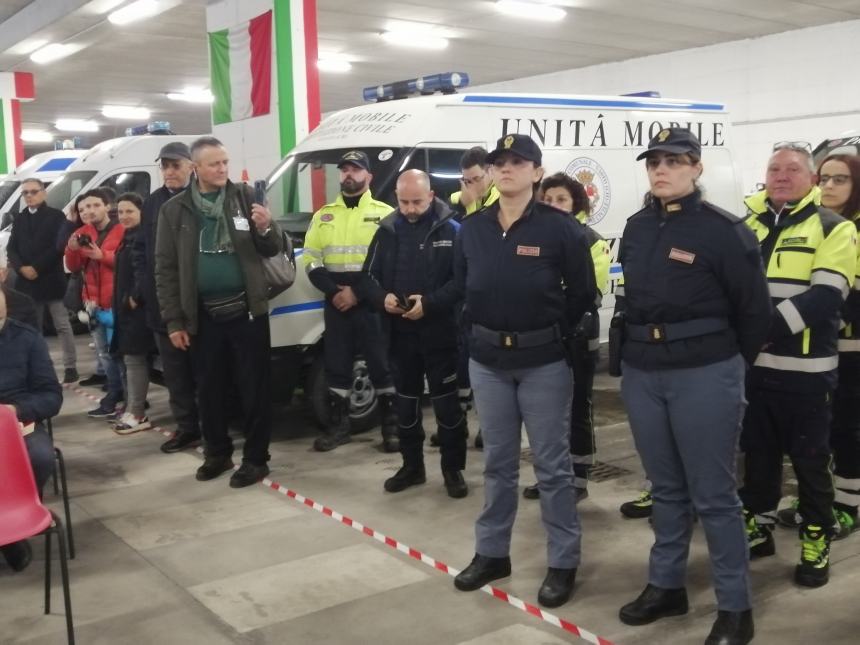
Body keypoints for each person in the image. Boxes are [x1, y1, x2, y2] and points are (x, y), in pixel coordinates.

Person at [613, 128, 771, 644]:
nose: (661, 170)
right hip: (644, 370)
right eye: (654, 161)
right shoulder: (636, 227)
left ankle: (734, 606)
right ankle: (666, 585)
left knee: (715, 495)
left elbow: (754, 312)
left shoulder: (725, 231)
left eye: (674, 161)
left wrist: (727, 370)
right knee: (666, 488)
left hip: (705, 371)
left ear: (696, 168)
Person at [452, 134, 596, 609]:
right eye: (500, 163)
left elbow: (581, 296)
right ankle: (492, 553)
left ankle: (562, 562)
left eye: (518, 162)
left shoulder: (561, 229)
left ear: (537, 172)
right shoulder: (471, 229)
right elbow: (461, 288)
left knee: (552, 468)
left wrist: (554, 337)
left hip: (543, 363)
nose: (507, 169)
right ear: (490, 173)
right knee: (496, 463)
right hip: (488, 362)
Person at [740, 142, 857, 588]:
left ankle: (815, 536)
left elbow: (826, 296)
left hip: (806, 373)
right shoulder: (743, 226)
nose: (782, 176)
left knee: (810, 460)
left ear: (811, 180)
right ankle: (759, 525)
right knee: (759, 455)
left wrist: (760, 329)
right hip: (753, 370)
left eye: (792, 169)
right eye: (774, 169)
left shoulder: (835, 227)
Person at [155, 136, 284, 488]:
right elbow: (165, 269)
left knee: (253, 388)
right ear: (195, 168)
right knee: (209, 389)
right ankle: (217, 453)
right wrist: (174, 320)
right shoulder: (175, 210)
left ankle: (256, 459)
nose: (223, 169)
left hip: (248, 312)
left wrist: (265, 226)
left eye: (225, 162)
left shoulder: (245, 197)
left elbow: (274, 247)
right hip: (202, 315)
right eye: (215, 164)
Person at [360, 169, 468, 498]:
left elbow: (463, 283)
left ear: (431, 196)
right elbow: (367, 278)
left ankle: (453, 470)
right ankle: (412, 467)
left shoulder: (453, 230)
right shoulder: (387, 230)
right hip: (400, 335)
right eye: (404, 201)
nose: (409, 208)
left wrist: (431, 303)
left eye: (417, 202)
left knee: (447, 410)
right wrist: (383, 298)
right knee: (405, 407)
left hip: (441, 334)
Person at [523, 172, 610, 503]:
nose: (553, 205)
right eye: (547, 199)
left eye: (561, 199)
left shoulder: (591, 240)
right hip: (542, 339)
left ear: (577, 203)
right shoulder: (533, 238)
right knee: (544, 412)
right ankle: (550, 475)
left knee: (577, 407)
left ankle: (577, 477)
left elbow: (589, 293)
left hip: (577, 338)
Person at [303, 150, 398, 453]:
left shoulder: (385, 214)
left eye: (355, 170)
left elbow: (390, 265)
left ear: (369, 176)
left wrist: (357, 293)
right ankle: (339, 426)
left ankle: (391, 427)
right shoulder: (323, 215)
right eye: (344, 170)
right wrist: (335, 292)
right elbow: (311, 261)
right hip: (336, 303)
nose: (348, 175)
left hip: (371, 302)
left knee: (381, 365)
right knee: (337, 365)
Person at [131, 141, 200, 452]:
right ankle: (187, 428)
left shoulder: (204, 198)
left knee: (208, 370)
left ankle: (215, 425)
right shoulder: (153, 203)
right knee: (176, 374)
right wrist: (145, 288)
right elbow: (141, 249)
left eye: (175, 165)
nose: (169, 172)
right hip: (164, 305)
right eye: (165, 166)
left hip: (201, 304)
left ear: (191, 166)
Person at [0, 287, 63, 572]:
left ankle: (15, 519)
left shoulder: (27, 338)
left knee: (40, 455)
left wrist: (17, 411)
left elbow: (50, 395)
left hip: (18, 422)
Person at [6, 178, 78, 382]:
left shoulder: (56, 216)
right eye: (25, 193)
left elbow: (58, 247)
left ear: (44, 192)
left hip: (50, 279)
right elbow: (12, 248)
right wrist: (22, 268)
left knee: (62, 325)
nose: (29, 196)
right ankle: (39, 366)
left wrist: (36, 268)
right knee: (32, 327)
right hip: (27, 283)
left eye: (33, 191)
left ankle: (70, 367)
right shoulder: (19, 218)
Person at [64, 188, 125, 418]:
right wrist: (71, 249)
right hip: (93, 303)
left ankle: (132, 399)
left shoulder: (121, 230)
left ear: (107, 206)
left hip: (116, 302)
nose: (88, 211)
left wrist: (103, 256)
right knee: (104, 353)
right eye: (83, 209)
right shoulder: (81, 233)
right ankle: (114, 392)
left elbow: (127, 262)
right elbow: (72, 267)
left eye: (94, 205)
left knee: (123, 355)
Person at [109, 193, 155, 434]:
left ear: (141, 213)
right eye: (120, 212)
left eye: (130, 211)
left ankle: (137, 412)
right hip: (127, 312)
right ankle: (132, 407)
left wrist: (134, 298)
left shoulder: (141, 238)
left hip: (138, 313)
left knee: (135, 360)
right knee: (130, 360)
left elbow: (144, 271)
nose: (124, 216)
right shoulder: (128, 237)